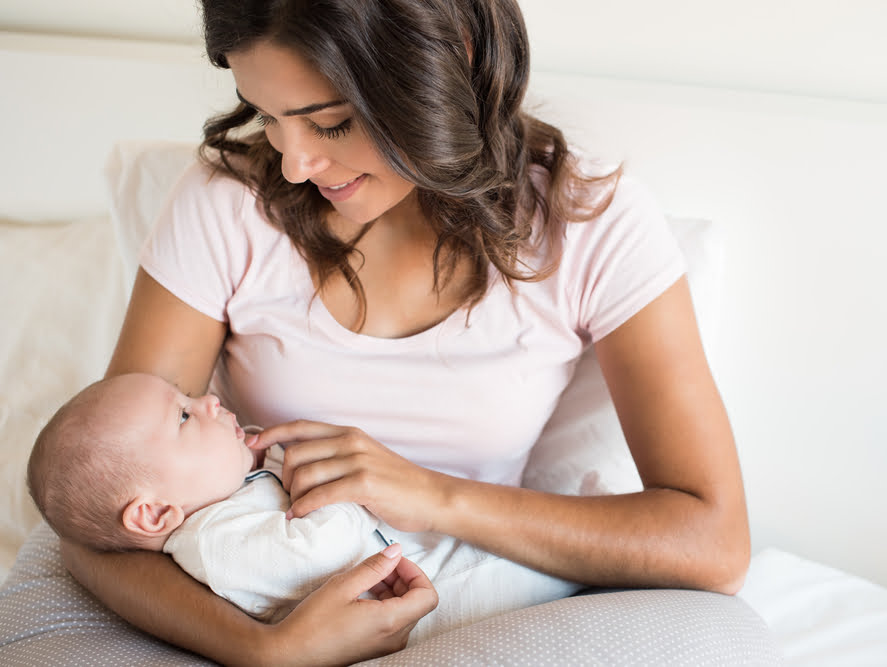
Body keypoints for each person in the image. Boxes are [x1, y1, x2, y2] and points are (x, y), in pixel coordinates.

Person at [60, 0, 751, 663]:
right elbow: (99, 515)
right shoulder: (227, 206)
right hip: (264, 611)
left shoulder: (588, 223)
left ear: (448, 63)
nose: (294, 163)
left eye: (330, 123)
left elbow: (713, 542)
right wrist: (266, 650)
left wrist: (430, 495)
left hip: (477, 604)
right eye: (267, 115)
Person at [28, 372, 579, 641]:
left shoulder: (229, 498)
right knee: (547, 569)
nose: (210, 400)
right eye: (184, 416)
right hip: (446, 595)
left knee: (551, 549)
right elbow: (322, 551)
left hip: (430, 558)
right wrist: (314, 479)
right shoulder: (216, 543)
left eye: (188, 395)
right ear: (153, 514)